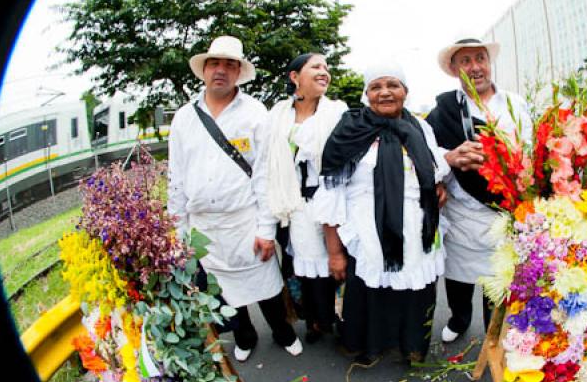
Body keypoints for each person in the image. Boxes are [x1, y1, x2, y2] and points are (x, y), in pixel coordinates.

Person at [167, 35, 302, 361]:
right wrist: (178, 230)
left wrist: (265, 229)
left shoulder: (256, 113)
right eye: (215, 63)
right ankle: (245, 336)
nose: (221, 70)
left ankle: (283, 332)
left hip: (245, 219)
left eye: (230, 64)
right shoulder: (184, 117)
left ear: (239, 72)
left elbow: (265, 176)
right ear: (204, 69)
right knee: (222, 291)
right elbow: (176, 177)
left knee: (266, 286)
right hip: (203, 226)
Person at [314, 61, 449, 364]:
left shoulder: (419, 127)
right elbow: (331, 193)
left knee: (416, 292)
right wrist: (335, 252)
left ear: (405, 92)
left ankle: (411, 347)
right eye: (376, 87)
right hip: (368, 233)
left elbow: (432, 168)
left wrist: (439, 188)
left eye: (393, 85)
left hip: (416, 230)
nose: (385, 92)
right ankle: (369, 347)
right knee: (369, 295)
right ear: (367, 94)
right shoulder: (350, 129)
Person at [426, 36, 531, 343]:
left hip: (504, 213)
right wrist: (449, 158)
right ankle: (459, 319)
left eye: (480, 59)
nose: (475, 67)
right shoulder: (443, 110)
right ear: (454, 69)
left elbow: (532, 152)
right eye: (466, 61)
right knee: (458, 279)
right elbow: (427, 154)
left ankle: (493, 334)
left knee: (496, 282)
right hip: (462, 214)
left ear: (489, 62)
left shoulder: (516, 105)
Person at [265, 53, 348, 344]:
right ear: (294, 77)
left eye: (326, 67)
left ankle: (340, 319)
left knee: (337, 264)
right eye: (316, 67)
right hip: (292, 203)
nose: (324, 72)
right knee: (303, 267)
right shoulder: (277, 115)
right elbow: (267, 162)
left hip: (330, 197)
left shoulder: (337, 112)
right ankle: (315, 321)